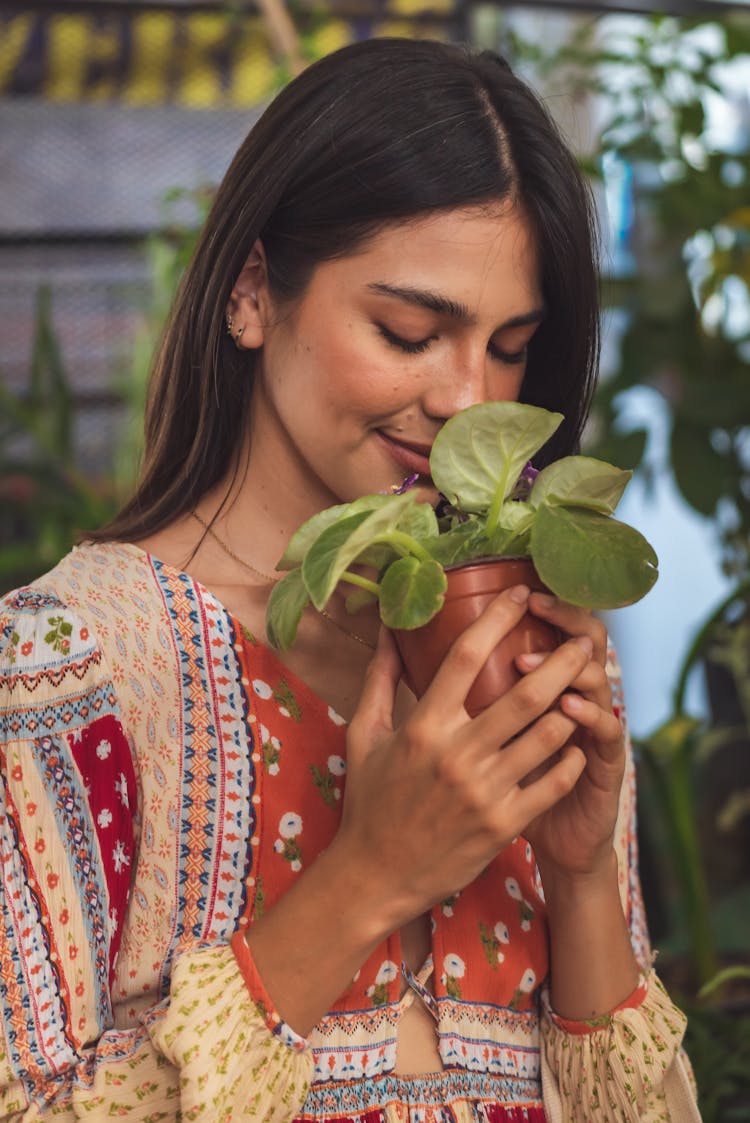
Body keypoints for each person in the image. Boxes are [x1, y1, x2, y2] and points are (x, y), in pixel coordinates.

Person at [0, 36, 701, 1122]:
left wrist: (578, 875)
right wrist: (370, 874)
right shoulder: (65, 672)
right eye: (409, 331)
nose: (470, 397)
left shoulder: (515, 656)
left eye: (512, 347)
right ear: (249, 292)